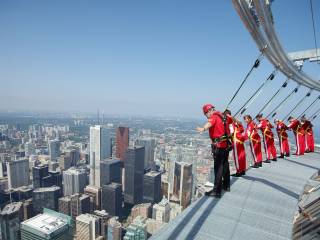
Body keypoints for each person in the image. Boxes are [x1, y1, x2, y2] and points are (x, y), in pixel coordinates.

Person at [196, 104, 233, 198]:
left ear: (209, 111)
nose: (206, 116)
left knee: (218, 168)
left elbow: (210, 123)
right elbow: (231, 122)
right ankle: (226, 185)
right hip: (226, 145)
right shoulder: (223, 116)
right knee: (225, 165)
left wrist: (203, 128)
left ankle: (217, 191)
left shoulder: (214, 117)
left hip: (219, 146)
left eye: (205, 114)